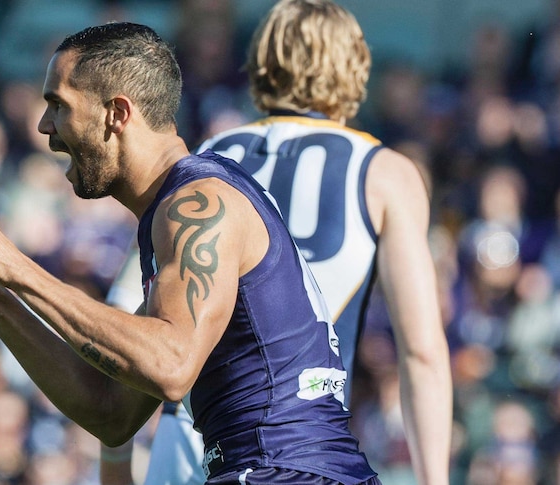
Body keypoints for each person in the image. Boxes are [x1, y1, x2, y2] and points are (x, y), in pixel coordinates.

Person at [0, 22, 380, 483]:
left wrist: (18, 270)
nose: (44, 125)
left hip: (285, 473)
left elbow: (170, 366)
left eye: (58, 105)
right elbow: (112, 412)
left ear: (116, 113)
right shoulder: (181, 208)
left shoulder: (197, 205)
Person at [99, 1, 453, 484]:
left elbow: (126, 309)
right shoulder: (383, 171)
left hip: (188, 437)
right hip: (298, 445)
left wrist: (115, 464)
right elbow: (422, 351)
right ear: (354, 67)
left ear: (261, 64)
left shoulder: (209, 153)